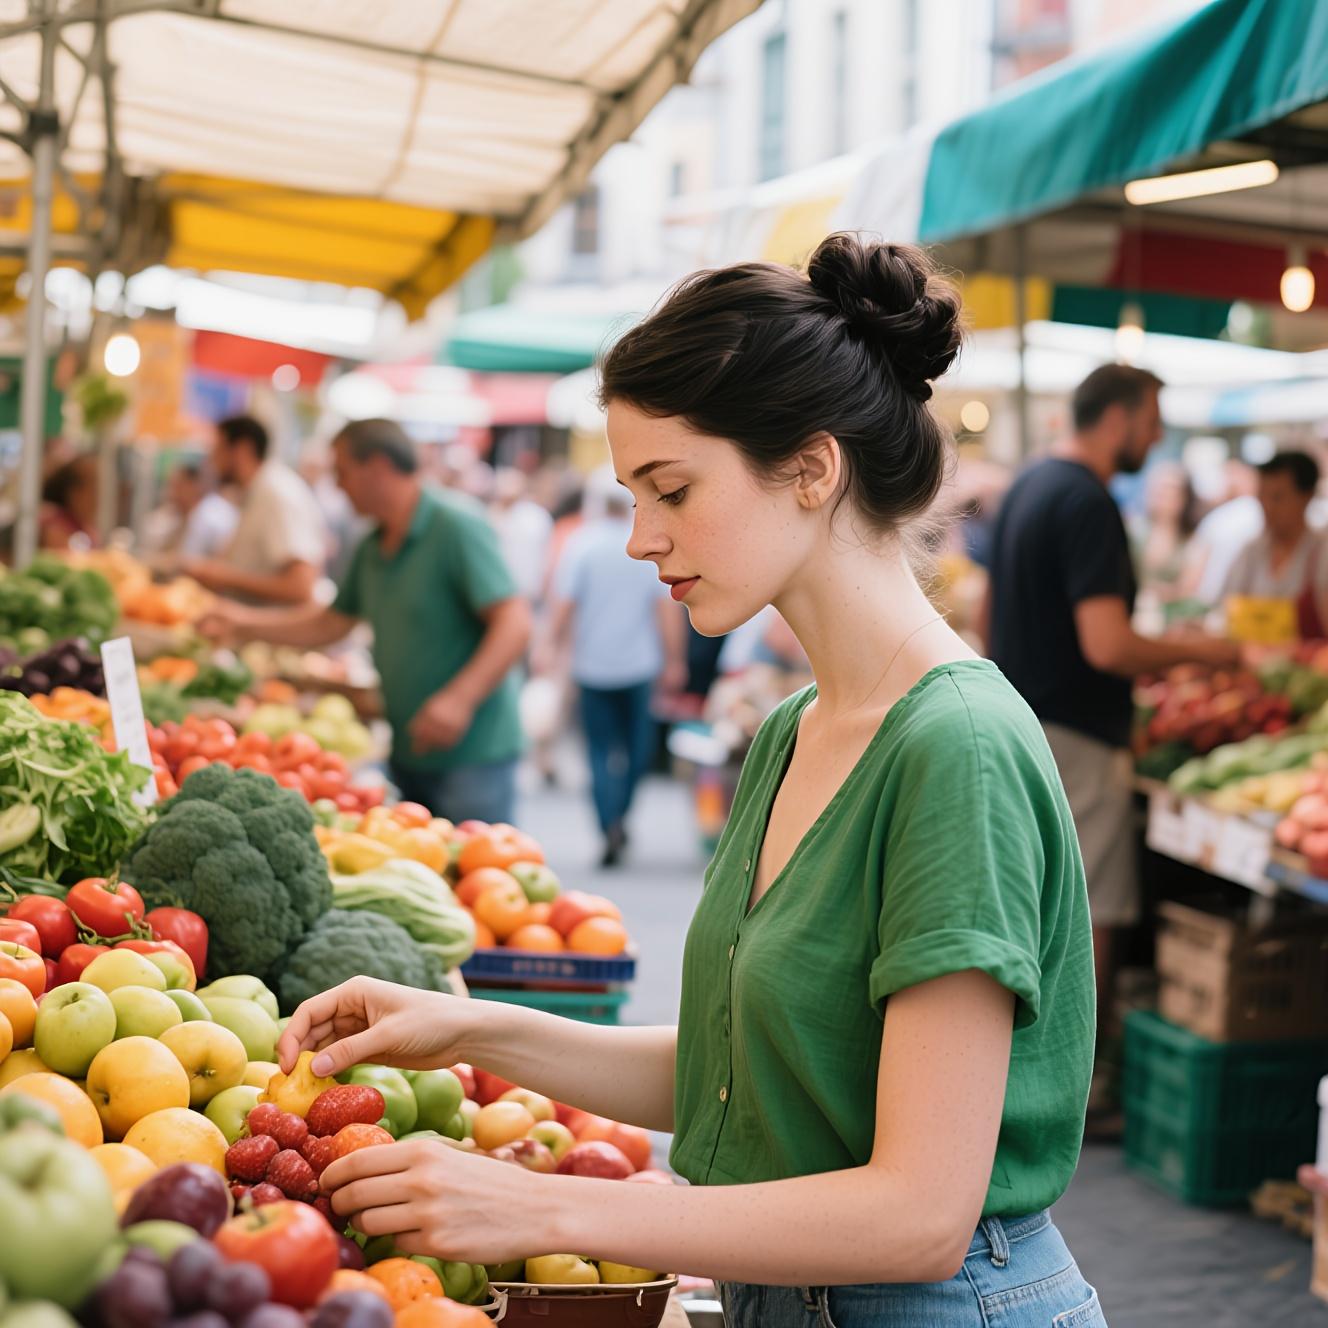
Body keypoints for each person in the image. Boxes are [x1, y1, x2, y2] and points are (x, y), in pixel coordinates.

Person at [275, 235, 1108, 1326]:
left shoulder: (955, 747)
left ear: (811, 469)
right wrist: (467, 1027)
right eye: (632, 496)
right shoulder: (794, 730)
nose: (639, 538)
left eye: (669, 490)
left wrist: (540, 1205)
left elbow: (919, 1215)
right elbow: (741, 1074)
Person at [985, 363, 1240, 1127]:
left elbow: (991, 612)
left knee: (1034, 908)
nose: (1156, 437)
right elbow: (1107, 644)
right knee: (1090, 913)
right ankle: (1079, 1092)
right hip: (1079, 737)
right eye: (1152, 419)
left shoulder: (1029, 484)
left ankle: (1020, 1080)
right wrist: (1204, 652)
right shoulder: (1088, 501)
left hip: (1025, 721)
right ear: (1119, 416)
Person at [202, 418, 529, 825]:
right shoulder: (372, 544)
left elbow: (514, 622)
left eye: (342, 472)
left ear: (377, 466)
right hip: (408, 748)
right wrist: (242, 623)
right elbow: (330, 624)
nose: (338, 486)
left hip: (472, 757)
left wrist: (459, 699)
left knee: (479, 861)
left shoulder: (456, 525)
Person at [538, 468, 687, 865]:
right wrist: (674, 660)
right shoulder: (646, 547)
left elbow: (564, 604)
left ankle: (608, 822)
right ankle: (620, 814)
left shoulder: (582, 545)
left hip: (592, 666)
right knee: (638, 750)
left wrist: (549, 646)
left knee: (599, 750)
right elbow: (665, 610)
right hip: (640, 666)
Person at [184, 415, 326, 604]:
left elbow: (300, 586)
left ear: (243, 449)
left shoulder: (275, 492)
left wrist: (225, 577)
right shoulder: (258, 489)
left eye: (217, 449)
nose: (212, 461)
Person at [1219, 451, 1328, 637]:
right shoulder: (1251, 552)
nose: (1268, 506)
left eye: (1278, 497)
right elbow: (1226, 611)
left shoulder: (1321, 553)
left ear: (1306, 496)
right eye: (1262, 496)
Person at [140, 461, 238, 560]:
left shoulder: (209, 516)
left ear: (193, 486)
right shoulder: (194, 512)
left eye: (176, 486)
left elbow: (187, 560)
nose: (171, 493)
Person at [489, 467, 553, 602]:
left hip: (530, 591)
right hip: (500, 591)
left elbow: (548, 553)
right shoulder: (491, 516)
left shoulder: (536, 516)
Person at [39, 455, 98, 549]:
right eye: (93, 486)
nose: (97, 496)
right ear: (73, 492)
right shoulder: (54, 525)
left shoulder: (86, 528)